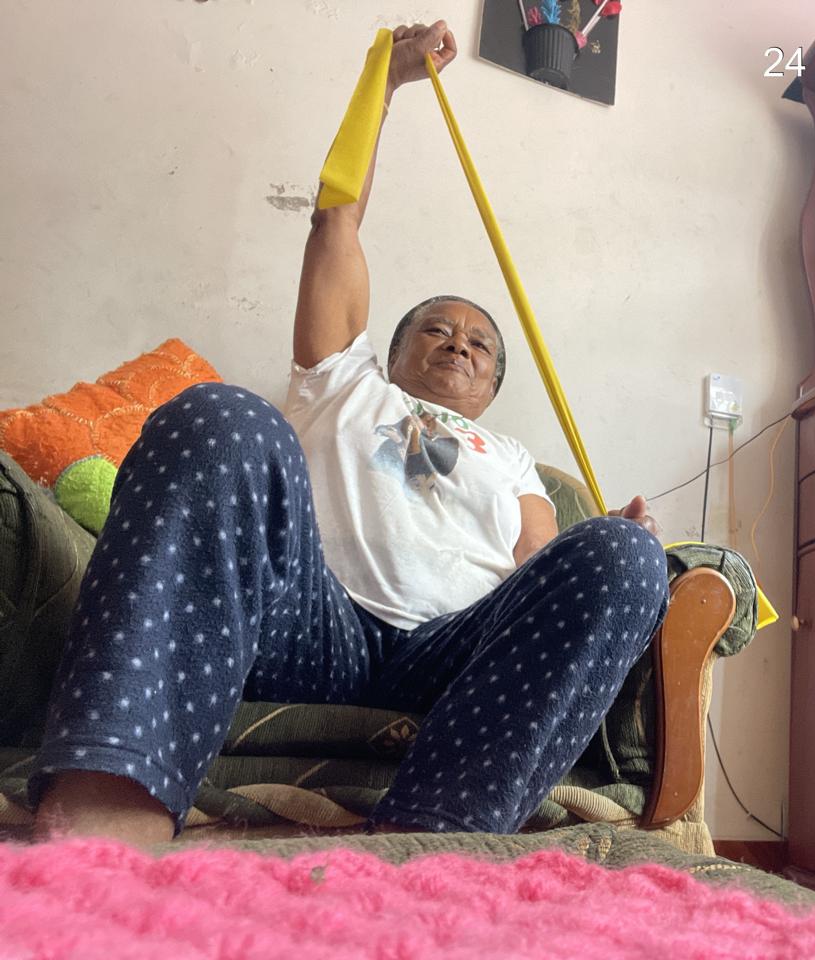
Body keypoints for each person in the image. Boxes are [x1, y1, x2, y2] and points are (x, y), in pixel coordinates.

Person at [30, 20, 668, 846]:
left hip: (453, 658)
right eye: (437, 329)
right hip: (311, 626)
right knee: (219, 415)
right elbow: (336, 222)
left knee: (628, 555)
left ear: (490, 389)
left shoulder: (514, 462)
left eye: (479, 345)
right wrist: (384, 83)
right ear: (392, 351)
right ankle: (104, 824)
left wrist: (609, 546)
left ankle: (433, 851)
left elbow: (536, 570)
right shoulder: (344, 379)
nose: (459, 344)